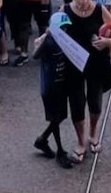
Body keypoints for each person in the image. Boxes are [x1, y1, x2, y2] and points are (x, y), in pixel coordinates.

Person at [64, 0, 111, 164]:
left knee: (95, 103)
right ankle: (80, 141)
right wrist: (42, 38)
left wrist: (109, 41)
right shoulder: (64, 10)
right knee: (77, 104)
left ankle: (93, 134)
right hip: (74, 64)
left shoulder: (99, 9)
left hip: (96, 63)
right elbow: (52, 31)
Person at [32, 12, 75, 169]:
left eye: (66, 28)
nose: (64, 31)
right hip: (50, 86)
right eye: (61, 28)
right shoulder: (49, 41)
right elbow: (35, 55)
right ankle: (60, 150)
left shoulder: (67, 40)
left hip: (61, 84)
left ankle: (42, 139)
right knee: (55, 117)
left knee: (61, 116)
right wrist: (46, 37)